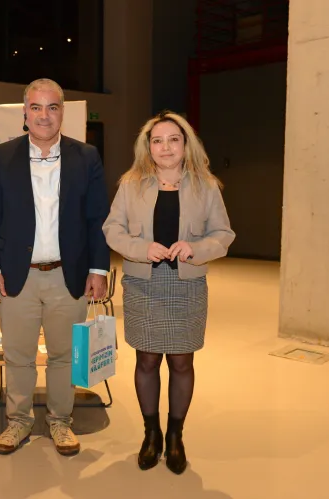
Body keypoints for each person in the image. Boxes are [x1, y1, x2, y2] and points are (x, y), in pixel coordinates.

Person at [0, 78, 110, 456]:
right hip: (15, 276)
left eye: (52, 107)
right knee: (18, 356)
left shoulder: (86, 157)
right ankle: (18, 422)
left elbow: (97, 218)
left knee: (63, 356)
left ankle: (60, 421)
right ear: (25, 112)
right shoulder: (2, 157)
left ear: (62, 111)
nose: (44, 115)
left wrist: (98, 270)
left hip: (69, 275)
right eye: (36, 107)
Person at [103, 110, 235, 474]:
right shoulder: (131, 184)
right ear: (147, 147)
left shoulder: (206, 186)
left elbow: (223, 234)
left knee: (181, 363)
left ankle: (176, 436)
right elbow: (112, 229)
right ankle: (152, 434)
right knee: (146, 361)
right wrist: (139, 248)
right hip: (143, 285)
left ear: (186, 144)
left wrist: (196, 248)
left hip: (186, 286)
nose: (165, 147)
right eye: (157, 140)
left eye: (173, 139)